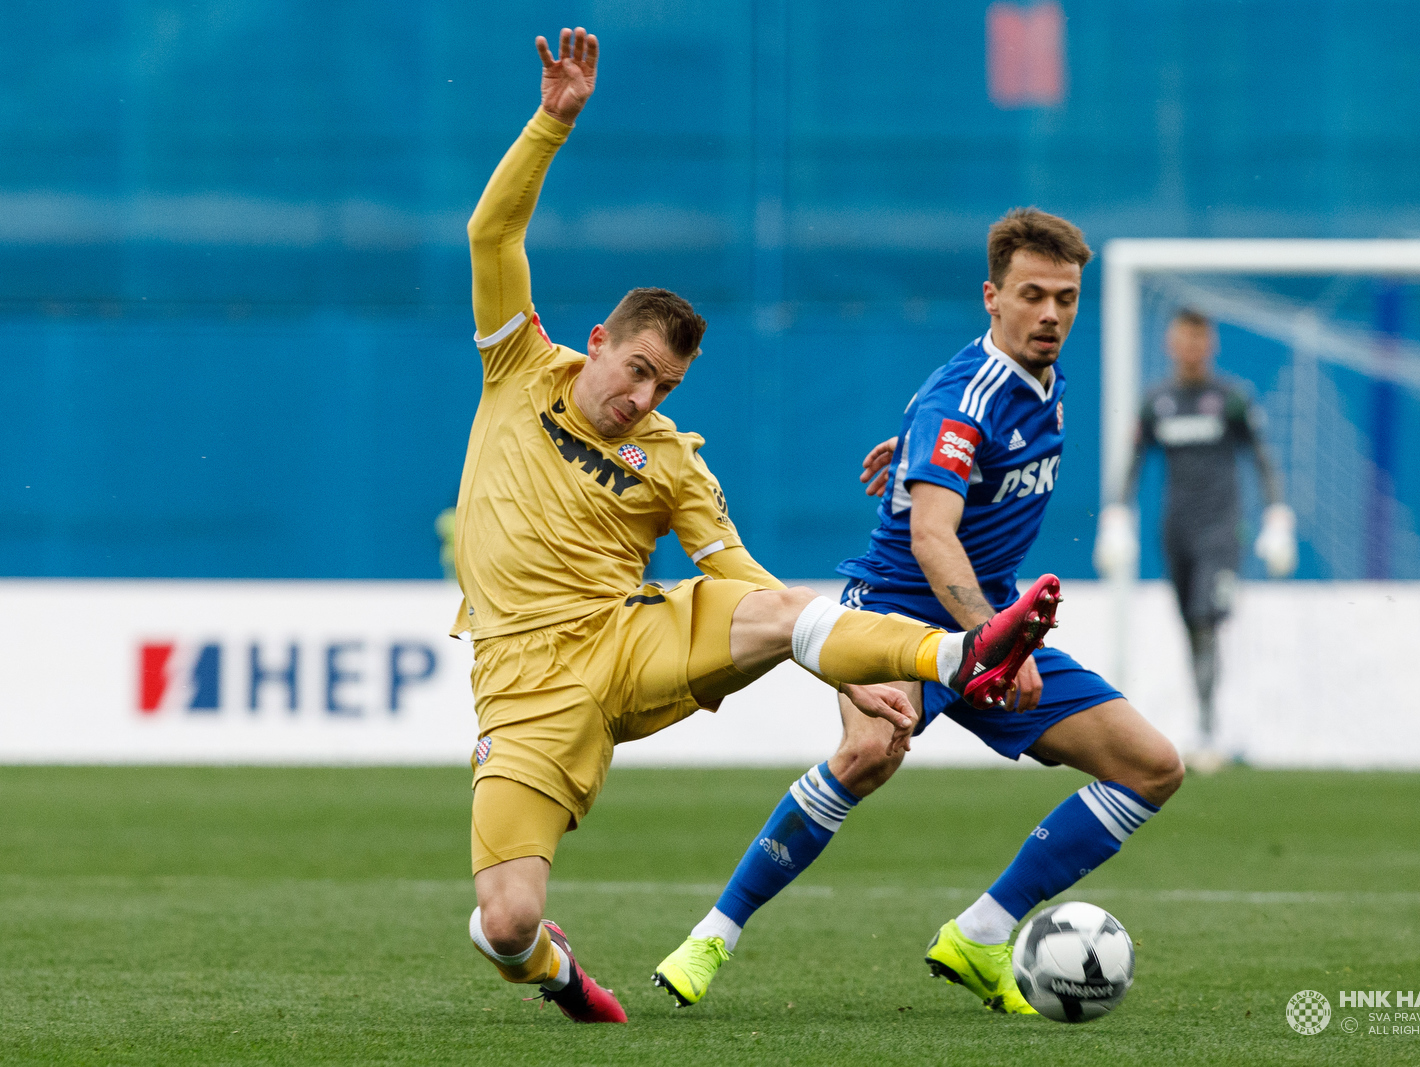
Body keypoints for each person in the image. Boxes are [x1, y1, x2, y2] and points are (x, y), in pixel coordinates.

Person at [453, 28, 1061, 1025]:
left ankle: (959, 652)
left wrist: (845, 663)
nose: (640, 396)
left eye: (665, 384)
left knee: (781, 610)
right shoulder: (519, 366)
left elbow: (732, 566)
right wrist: (552, 122)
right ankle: (556, 973)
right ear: (598, 341)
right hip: (522, 686)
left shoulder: (671, 456)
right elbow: (490, 236)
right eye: (635, 369)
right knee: (508, 918)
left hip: (625, 638)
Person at [652, 208, 1183, 1016]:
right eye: (1032, 295)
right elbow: (933, 535)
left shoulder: (1043, 384)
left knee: (1152, 767)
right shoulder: (965, 397)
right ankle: (712, 935)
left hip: (988, 608)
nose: (1051, 314)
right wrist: (996, 645)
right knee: (871, 748)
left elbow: (956, 462)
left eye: (1066, 298)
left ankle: (981, 931)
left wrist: (908, 451)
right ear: (991, 298)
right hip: (901, 612)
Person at [1094, 308, 1294, 768]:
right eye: (1182, 337)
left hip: (1221, 531)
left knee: (1207, 620)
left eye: (1199, 339)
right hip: (1176, 531)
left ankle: (1207, 729)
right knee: (1190, 625)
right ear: (1170, 343)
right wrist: (1117, 517)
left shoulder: (1231, 399)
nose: (1190, 347)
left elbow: (1262, 459)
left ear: (1211, 344)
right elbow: (1133, 463)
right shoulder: (1156, 401)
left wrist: (1277, 515)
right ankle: (1204, 718)